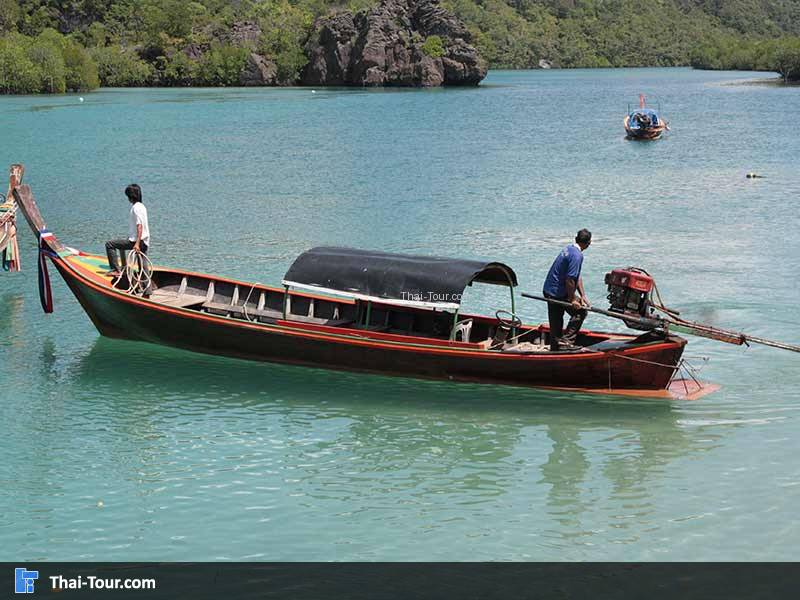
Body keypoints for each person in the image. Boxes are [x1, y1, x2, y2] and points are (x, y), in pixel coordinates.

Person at [542, 229, 592, 351]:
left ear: (576, 239)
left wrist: (582, 295)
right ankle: (567, 342)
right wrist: (572, 299)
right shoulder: (577, 255)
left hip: (549, 290)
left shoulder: (569, 249)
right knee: (580, 312)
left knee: (556, 323)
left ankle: (555, 348)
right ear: (588, 243)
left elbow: (575, 275)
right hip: (557, 292)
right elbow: (570, 279)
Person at [105, 184, 149, 278]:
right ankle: (147, 289)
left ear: (130, 196)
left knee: (109, 244)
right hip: (145, 241)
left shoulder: (135, 208)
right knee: (143, 267)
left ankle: (116, 270)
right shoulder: (142, 206)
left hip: (137, 242)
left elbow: (139, 226)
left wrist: (137, 244)